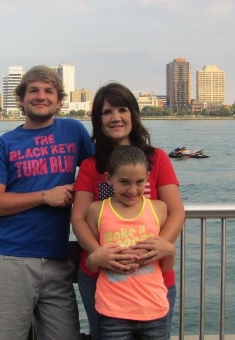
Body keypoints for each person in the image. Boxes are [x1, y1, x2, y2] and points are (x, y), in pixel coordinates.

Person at [0, 65, 94, 340]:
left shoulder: (74, 131)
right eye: (33, 90)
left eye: (48, 91)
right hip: (10, 258)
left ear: (59, 100)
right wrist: (45, 196)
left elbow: (98, 174)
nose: (41, 96)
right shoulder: (3, 144)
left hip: (57, 259)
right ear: (21, 99)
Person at [71, 82, 185, 339]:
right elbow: (78, 218)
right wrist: (98, 252)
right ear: (98, 120)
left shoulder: (157, 159)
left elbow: (176, 211)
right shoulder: (90, 166)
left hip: (152, 277)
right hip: (102, 278)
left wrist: (161, 245)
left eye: (122, 109)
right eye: (107, 112)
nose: (116, 118)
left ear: (133, 114)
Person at [85, 145, 174, 340]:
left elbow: (166, 266)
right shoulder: (96, 211)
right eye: (124, 182)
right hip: (113, 311)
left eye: (139, 182)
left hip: (154, 308)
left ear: (148, 177)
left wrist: (170, 250)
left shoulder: (158, 209)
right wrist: (97, 257)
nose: (132, 190)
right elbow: (92, 264)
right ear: (109, 178)